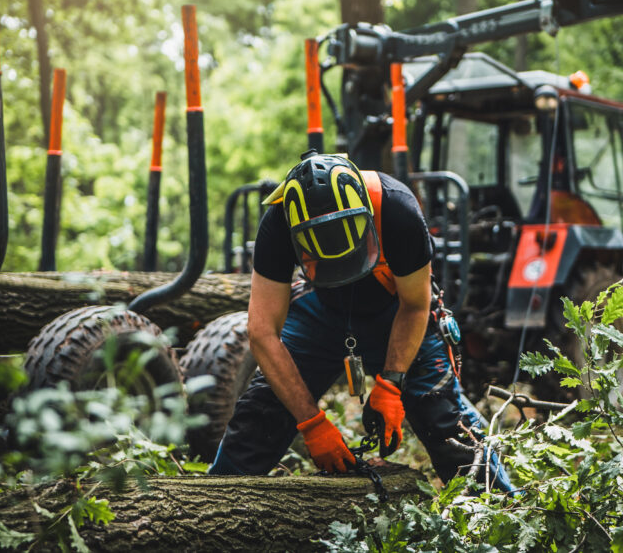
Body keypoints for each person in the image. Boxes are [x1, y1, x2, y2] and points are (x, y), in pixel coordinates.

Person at [208, 151, 511, 490]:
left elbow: (414, 305)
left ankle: (500, 509)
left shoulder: (397, 208)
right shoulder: (279, 223)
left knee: (443, 417)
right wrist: (311, 424)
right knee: (261, 415)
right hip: (320, 313)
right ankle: (217, 502)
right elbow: (262, 331)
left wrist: (390, 384)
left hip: (398, 311)